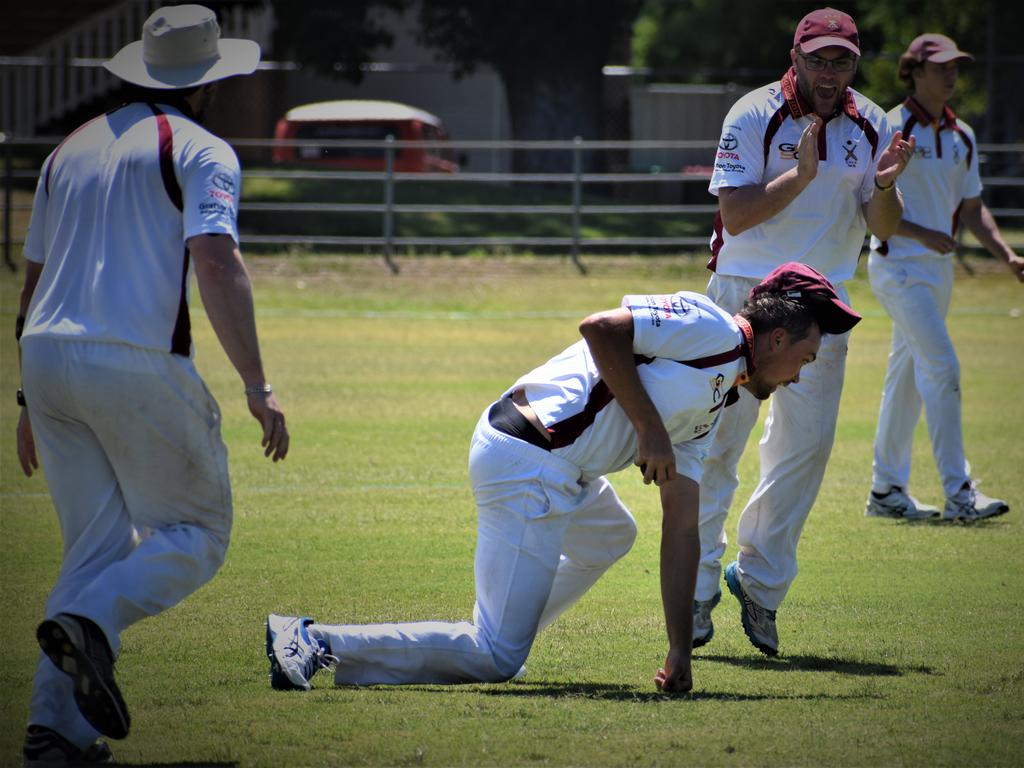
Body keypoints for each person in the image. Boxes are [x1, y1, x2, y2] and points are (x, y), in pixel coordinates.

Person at [266, 263, 858, 695]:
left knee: (611, 536)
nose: (799, 377)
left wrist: (680, 648)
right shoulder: (713, 329)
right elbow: (600, 327)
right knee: (496, 659)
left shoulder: (718, 397)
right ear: (778, 338)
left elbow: (682, 528)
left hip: (555, 466)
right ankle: (314, 641)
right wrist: (649, 431)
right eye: (805, 359)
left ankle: (501, 634)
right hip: (529, 460)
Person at [15, 6, 289, 765]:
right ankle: (91, 624)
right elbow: (215, 260)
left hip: (46, 358)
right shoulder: (202, 148)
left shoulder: (66, 148)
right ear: (208, 83)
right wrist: (257, 384)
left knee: (93, 550)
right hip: (134, 357)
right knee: (197, 534)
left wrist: (25, 398)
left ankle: (56, 730)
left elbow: (32, 277)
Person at [695, 7, 916, 657]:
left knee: (805, 453)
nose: (829, 71)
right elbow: (733, 216)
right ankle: (699, 583)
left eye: (841, 60)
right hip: (744, 298)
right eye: (817, 58)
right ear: (795, 56)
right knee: (716, 447)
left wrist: (885, 186)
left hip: (820, 304)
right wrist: (801, 176)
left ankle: (759, 586)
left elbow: (884, 228)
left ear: (854, 63)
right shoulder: (753, 113)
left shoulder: (875, 122)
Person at [865, 33, 1020, 524]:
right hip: (898, 266)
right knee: (943, 369)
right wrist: (920, 232)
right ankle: (960, 494)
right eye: (940, 67)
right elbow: (870, 203)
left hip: (938, 274)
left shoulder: (963, 136)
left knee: (906, 382)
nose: (951, 75)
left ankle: (886, 490)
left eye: (957, 66)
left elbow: (973, 209)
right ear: (913, 70)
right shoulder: (890, 125)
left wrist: (1007, 255)